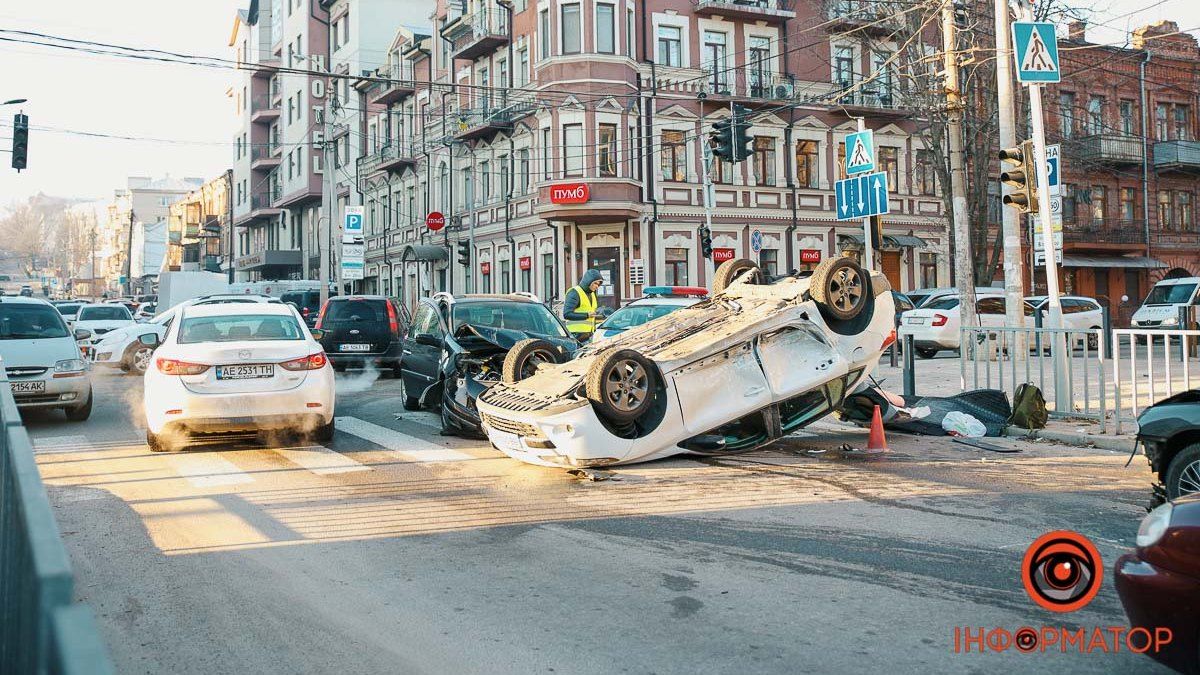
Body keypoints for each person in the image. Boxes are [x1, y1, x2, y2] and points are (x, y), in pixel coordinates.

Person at [562, 268, 604, 341]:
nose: (597, 286)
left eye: (599, 284)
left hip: (588, 334)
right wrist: (587, 315)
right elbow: (567, 314)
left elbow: (590, 313)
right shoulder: (574, 292)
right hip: (575, 334)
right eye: (595, 283)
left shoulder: (592, 294)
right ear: (588, 281)